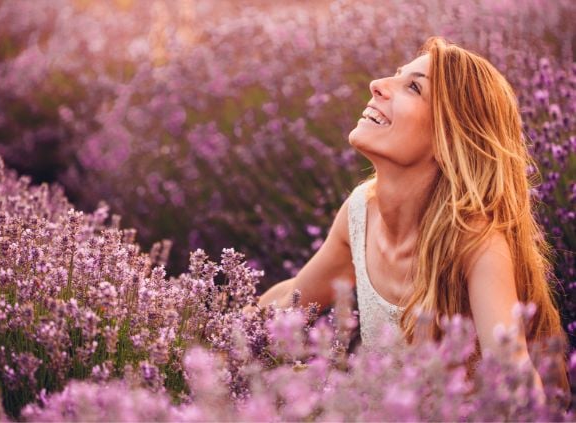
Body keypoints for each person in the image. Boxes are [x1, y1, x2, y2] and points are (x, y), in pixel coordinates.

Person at [242, 36, 571, 407]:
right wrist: (205, 335)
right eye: (396, 75)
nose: (377, 85)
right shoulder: (360, 212)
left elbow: (516, 382)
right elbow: (292, 300)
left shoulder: (475, 241)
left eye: (413, 87)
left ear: (449, 137)